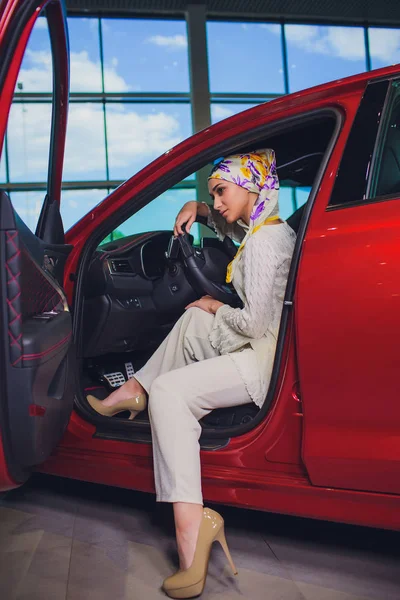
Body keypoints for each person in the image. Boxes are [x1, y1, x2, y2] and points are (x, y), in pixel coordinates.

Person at [87, 149, 296, 598]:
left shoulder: (262, 243)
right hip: (266, 347)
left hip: (261, 360)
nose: (217, 202)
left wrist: (216, 304)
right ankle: (130, 390)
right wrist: (198, 210)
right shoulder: (266, 228)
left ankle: (191, 527)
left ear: (249, 184)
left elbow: (254, 324)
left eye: (221, 191)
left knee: (172, 392)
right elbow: (229, 225)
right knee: (192, 320)